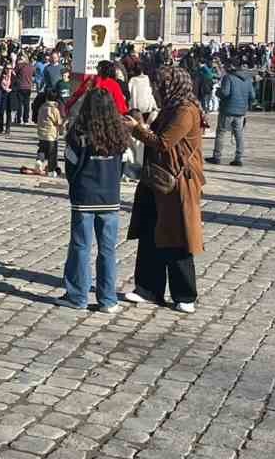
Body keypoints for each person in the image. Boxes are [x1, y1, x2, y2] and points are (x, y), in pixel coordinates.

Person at [125, 65, 205, 314]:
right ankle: (148, 287)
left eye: (159, 86)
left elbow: (164, 143)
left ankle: (185, 294)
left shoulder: (185, 111)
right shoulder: (170, 108)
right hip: (156, 179)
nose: (156, 91)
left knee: (178, 237)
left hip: (178, 183)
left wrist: (136, 129)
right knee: (150, 233)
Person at [62, 89, 128, 312]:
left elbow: (70, 165)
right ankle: (108, 299)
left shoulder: (78, 133)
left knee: (80, 247)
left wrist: (76, 183)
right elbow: (123, 166)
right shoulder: (119, 134)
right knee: (107, 250)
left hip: (84, 197)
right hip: (110, 197)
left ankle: (77, 296)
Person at [208, 62, 253, 167]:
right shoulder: (248, 79)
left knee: (221, 133)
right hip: (241, 111)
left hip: (227, 110)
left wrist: (217, 92)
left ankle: (217, 156)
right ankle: (238, 158)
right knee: (239, 134)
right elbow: (253, 95)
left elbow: (225, 93)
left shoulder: (228, 78)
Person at [34, 84, 64, 176]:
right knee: (52, 153)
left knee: (42, 149)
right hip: (51, 135)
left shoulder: (42, 107)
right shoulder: (54, 110)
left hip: (41, 133)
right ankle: (51, 171)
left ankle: (39, 161)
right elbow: (58, 122)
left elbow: (38, 119)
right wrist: (61, 130)